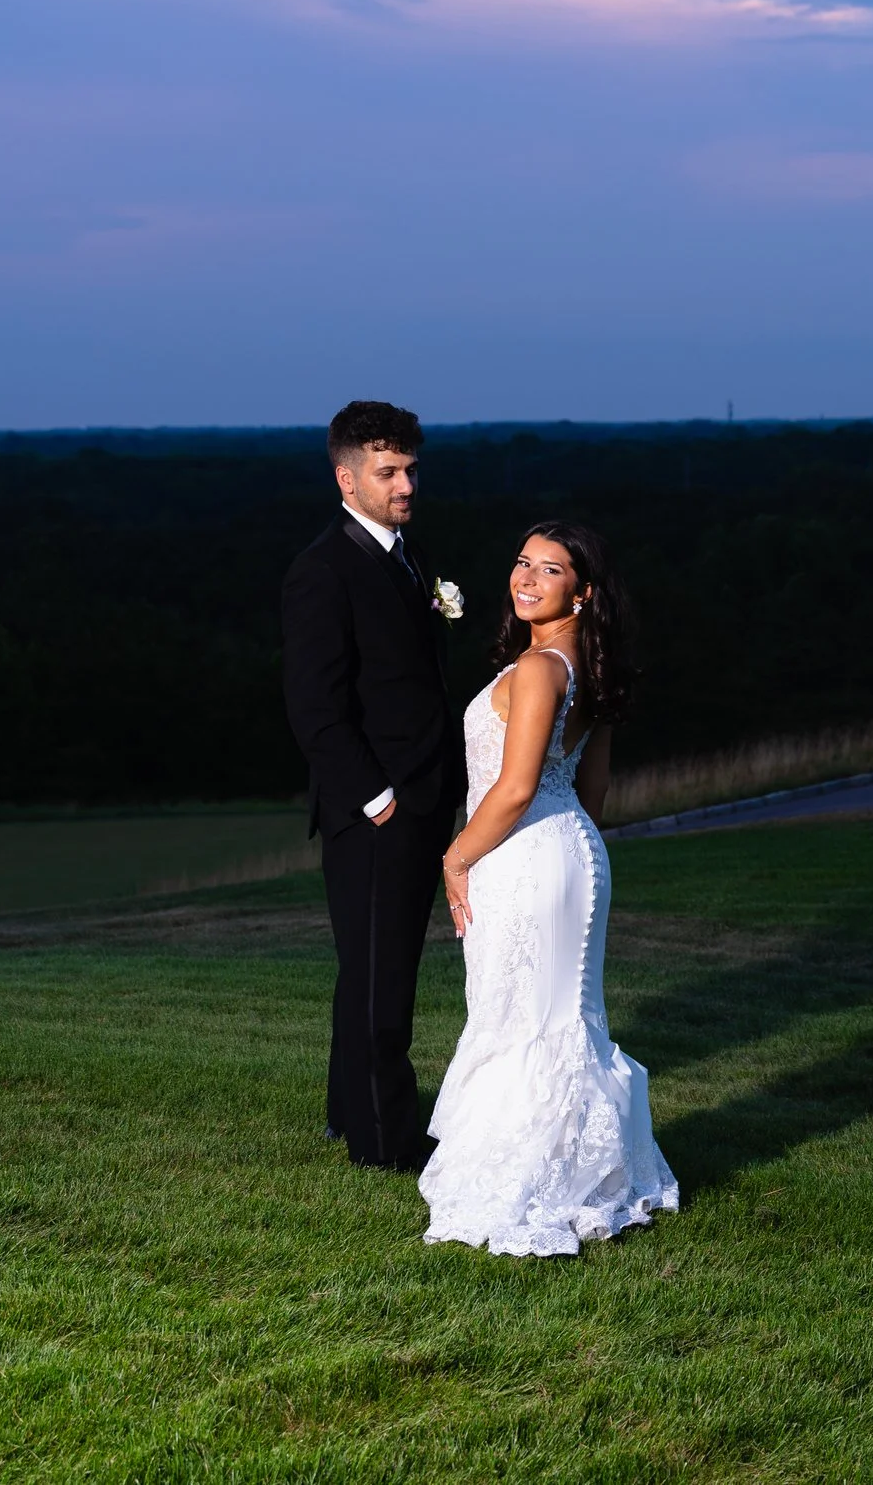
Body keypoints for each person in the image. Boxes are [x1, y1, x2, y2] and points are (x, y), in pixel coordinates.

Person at [420, 520, 678, 1257]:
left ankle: (534, 1184)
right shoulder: (585, 666)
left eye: (551, 569)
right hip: (572, 853)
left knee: (521, 1018)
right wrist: (565, 853)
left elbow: (515, 787)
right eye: (522, 561)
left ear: (583, 590)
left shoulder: (539, 670)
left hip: (522, 850)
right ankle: (585, 1179)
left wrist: (457, 857)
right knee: (561, 1016)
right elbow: (591, 794)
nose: (527, 577)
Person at [280, 401, 462, 1173]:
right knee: (382, 981)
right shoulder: (323, 569)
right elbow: (315, 710)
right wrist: (378, 801)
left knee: (374, 968)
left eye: (411, 468)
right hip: (378, 812)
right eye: (388, 471)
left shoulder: (408, 555)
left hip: (422, 796)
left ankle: (343, 1112)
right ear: (345, 475)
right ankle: (384, 1142)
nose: (406, 483)